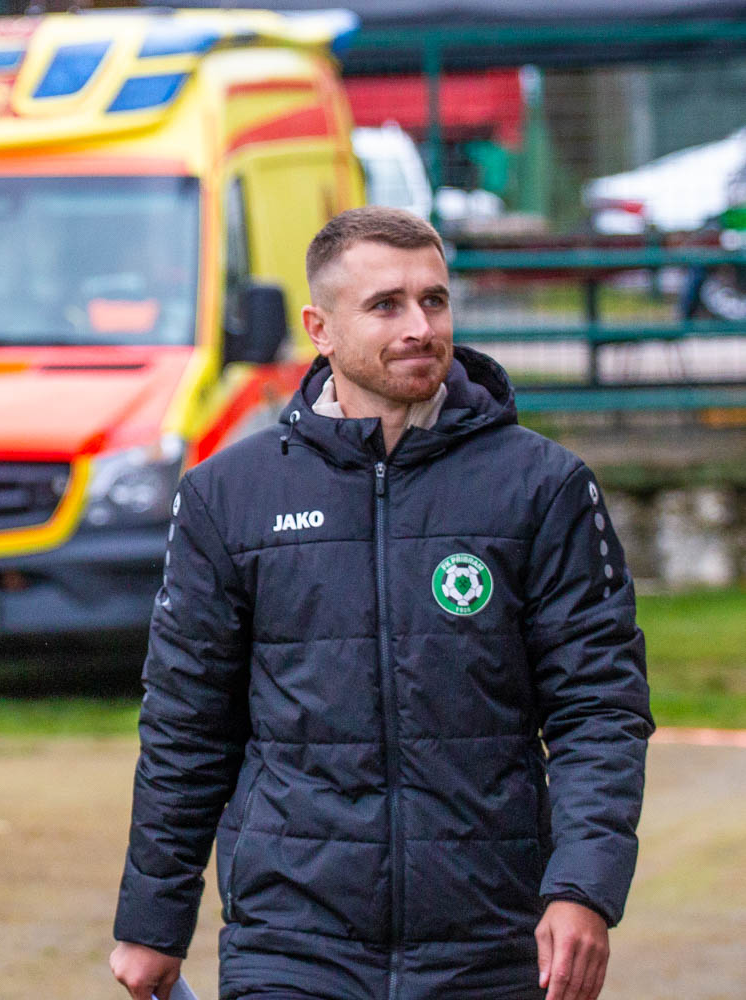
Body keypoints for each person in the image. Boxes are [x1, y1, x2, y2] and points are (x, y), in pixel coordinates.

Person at [111, 206, 652, 1000]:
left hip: (488, 943)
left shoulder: (543, 487)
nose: (419, 327)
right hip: (289, 944)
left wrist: (581, 887)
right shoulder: (229, 495)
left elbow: (598, 707)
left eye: (433, 300)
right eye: (385, 305)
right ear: (319, 329)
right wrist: (151, 922)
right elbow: (187, 724)